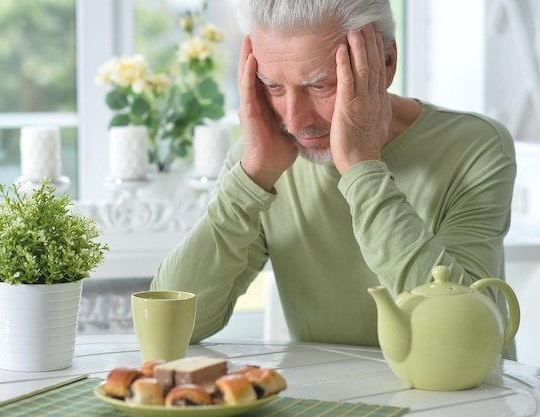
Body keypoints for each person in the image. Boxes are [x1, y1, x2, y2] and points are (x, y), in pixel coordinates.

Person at [150, 0, 517, 359]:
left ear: (384, 63)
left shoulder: (474, 147)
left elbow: (463, 340)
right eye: (273, 87)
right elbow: (174, 326)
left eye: (319, 86)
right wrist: (254, 175)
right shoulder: (264, 159)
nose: (294, 121)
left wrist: (361, 165)